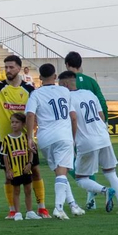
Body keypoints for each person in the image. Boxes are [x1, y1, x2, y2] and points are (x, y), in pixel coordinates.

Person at [0, 56, 45, 219]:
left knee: (35, 171)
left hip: (26, 140)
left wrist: (31, 134)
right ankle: (13, 209)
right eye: (6, 67)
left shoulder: (29, 89)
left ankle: (41, 207)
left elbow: (36, 113)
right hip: (6, 142)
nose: (7, 70)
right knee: (9, 175)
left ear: (19, 68)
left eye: (11, 67)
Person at [25, 62, 78, 219]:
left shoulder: (35, 94)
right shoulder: (64, 91)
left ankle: (73, 205)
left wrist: (29, 137)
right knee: (62, 172)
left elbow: (29, 115)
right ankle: (58, 207)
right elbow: (73, 117)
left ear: (40, 77)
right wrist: (73, 139)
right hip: (63, 135)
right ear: (55, 76)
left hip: (45, 137)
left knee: (59, 173)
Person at [71, 73, 118, 214]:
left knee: (80, 178)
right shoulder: (89, 93)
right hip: (103, 137)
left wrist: (72, 141)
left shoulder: (67, 98)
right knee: (111, 173)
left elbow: (72, 119)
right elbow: (101, 116)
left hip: (87, 141)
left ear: (64, 84)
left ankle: (105, 191)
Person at [0, 113, 36, 220]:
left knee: (28, 190)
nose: (14, 125)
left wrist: (29, 164)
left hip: (26, 169)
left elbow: (31, 152)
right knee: (16, 191)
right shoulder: (7, 139)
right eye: (12, 122)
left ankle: (30, 212)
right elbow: (5, 156)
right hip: (15, 170)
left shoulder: (26, 138)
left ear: (23, 124)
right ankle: (17, 212)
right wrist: (8, 170)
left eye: (17, 122)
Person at [63, 52, 107, 119]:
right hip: (93, 121)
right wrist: (105, 119)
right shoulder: (92, 81)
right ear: (80, 64)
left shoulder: (66, 83)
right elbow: (102, 102)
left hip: (77, 123)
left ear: (67, 64)